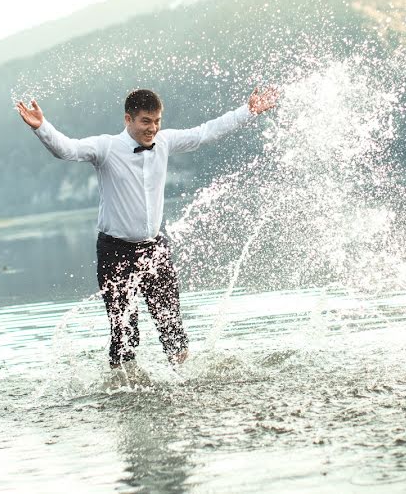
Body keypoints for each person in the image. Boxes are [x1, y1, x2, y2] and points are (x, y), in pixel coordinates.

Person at [17, 87, 278, 385]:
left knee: (171, 324)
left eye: (156, 121)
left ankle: (186, 382)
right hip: (114, 252)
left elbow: (206, 132)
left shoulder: (164, 142)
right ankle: (121, 388)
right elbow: (68, 149)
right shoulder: (106, 147)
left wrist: (249, 111)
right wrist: (42, 128)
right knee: (124, 331)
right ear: (128, 119)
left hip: (154, 249)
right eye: (145, 121)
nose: (152, 128)